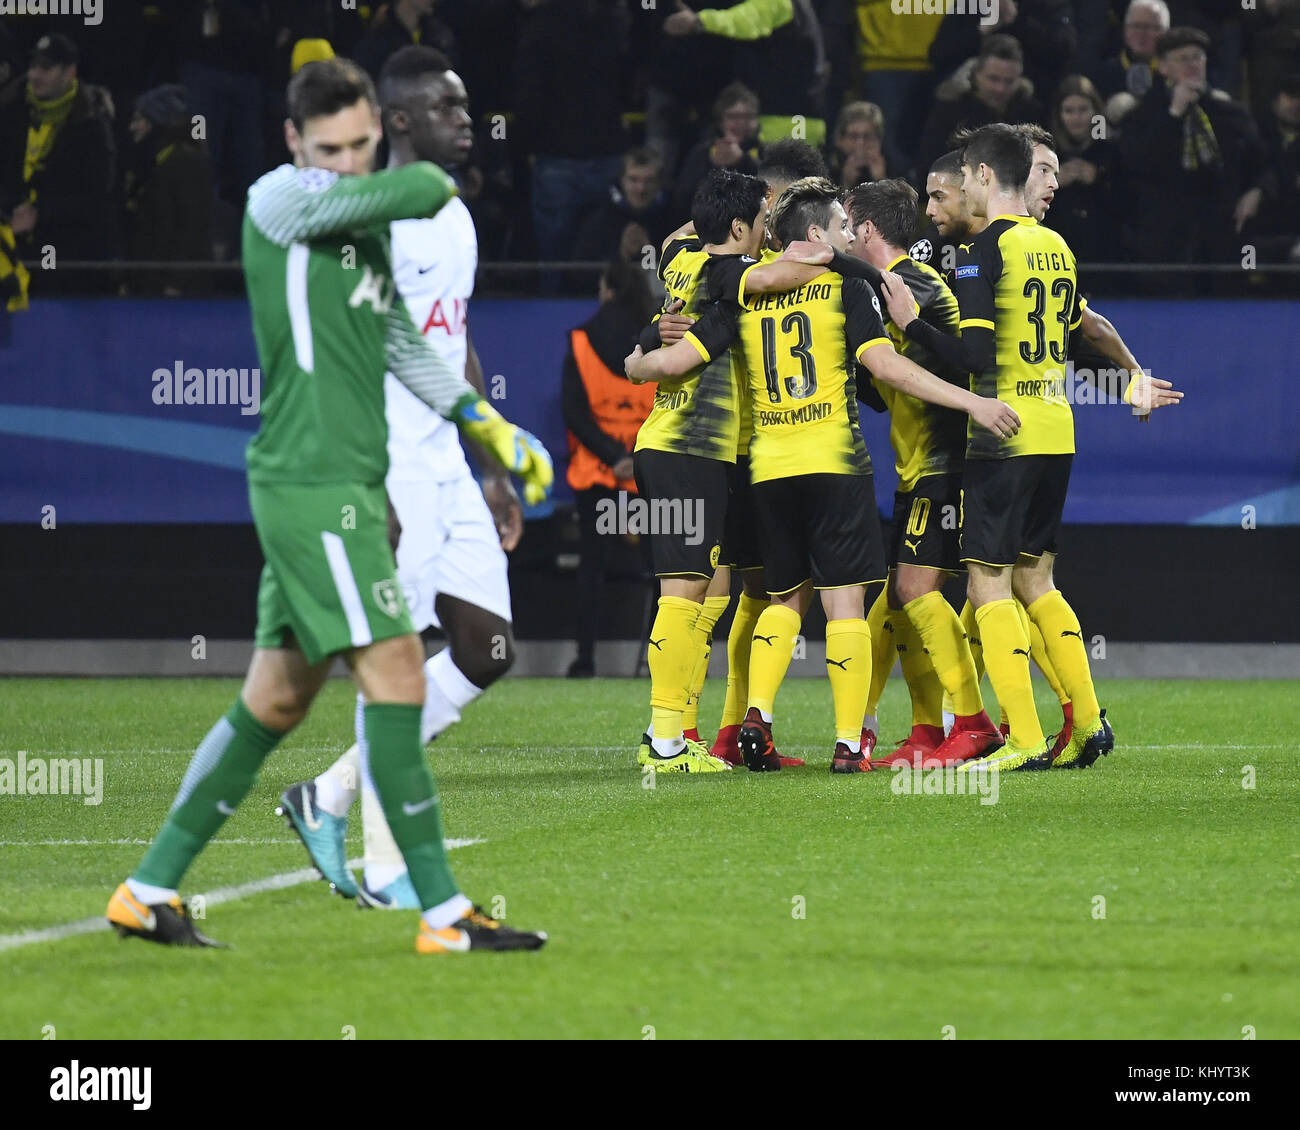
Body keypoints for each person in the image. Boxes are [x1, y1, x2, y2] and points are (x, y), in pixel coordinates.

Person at [105, 57, 552, 952]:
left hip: (335, 481)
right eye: (330, 147)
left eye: (360, 146)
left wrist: (487, 426)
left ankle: (145, 891)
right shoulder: (278, 201)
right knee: (395, 671)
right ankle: (440, 913)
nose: (346, 163)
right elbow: (401, 187)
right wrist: (421, 169)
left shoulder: (368, 230)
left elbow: (400, 343)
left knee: (274, 701)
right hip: (317, 487)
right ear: (293, 142)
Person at [629, 176, 1020, 773]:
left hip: (766, 467)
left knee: (779, 597)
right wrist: (973, 403)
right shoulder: (841, 283)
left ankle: (752, 716)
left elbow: (680, 323)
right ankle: (847, 743)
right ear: (816, 235)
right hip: (835, 462)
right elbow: (885, 365)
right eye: (839, 227)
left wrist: (635, 358)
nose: (848, 237)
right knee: (845, 603)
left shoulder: (738, 288)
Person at [272, 48, 527, 911]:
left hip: (446, 461)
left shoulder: (452, 214)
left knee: (488, 647)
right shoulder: (367, 219)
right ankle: (387, 867)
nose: (468, 117)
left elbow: (456, 345)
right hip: (389, 462)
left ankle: (328, 794)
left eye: (467, 103)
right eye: (449, 106)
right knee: (398, 658)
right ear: (403, 121)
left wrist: (490, 466)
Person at [883, 124, 1114, 772]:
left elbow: (974, 355)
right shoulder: (1059, 247)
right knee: (1034, 576)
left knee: (988, 585)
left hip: (1002, 432)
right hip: (1056, 426)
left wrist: (913, 326)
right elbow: (1076, 333)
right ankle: (1089, 722)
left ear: (983, 175)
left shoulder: (986, 250)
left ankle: (1025, 737)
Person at [843, 178, 1003, 770]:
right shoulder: (889, 291)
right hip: (917, 467)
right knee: (895, 600)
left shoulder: (907, 282)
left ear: (864, 231)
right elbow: (885, 392)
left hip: (946, 461)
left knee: (915, 591)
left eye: (842, 223)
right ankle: (922, 730)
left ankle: (974, 721)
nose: (836, 233)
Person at [563, 261, 659, 678]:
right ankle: (664, 663)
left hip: (597, 476)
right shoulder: (657, 340)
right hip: (648, 473)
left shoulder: (582, 339)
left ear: (605, 289)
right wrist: (633, 456)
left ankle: (585, 660)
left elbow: (574, 412)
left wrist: (609, 456)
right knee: (664, 573)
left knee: (591, 568)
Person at [1117, 26, 1269, 286]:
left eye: (1198, 57)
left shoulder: (1231, 114)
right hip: (1164, 243)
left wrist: (1257, 190)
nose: (1192, 64)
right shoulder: (1140, 117)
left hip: (1223, 238)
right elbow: (1136, 164)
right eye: (1182, 58)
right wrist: (1174, 114)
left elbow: (1263, 163)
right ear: (1163, 67)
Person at [0, 34, 117, 265]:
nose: (35, 75)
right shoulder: (9, 110)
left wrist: (40, 214)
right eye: (33, 67)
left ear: (70, 72)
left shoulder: (90, 125)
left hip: (67, 253)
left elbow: (98, 198)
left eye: (46, 68)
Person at [123, 85, 214, 294]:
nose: (132, 127)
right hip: (151, 284)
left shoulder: (186, 162)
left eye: (139, 120)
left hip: (177, 293)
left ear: (157, 122)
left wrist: (176, 282)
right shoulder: (152, 162)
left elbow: (192, 228)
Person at [916, 34, 1044, 180]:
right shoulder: (951, 110)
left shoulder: (1030, 112)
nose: (1000, 89)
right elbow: (929, 164)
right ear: (976, 74)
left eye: (1009, 81)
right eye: (993, 79)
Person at [1045, 75, 1117, 264]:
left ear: (1096, 111)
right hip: (1056, 255)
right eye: (1069, 111)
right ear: (1059, 115)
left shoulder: (1111, 151)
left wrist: (1099, 178)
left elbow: (1128, 204)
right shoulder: (1045, 154)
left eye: (1083, 110)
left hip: (1106, 254)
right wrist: (1052, 184)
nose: (1076, 118)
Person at [672, 82, 763, 222]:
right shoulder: (702, 153)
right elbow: (682, 198)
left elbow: (770, 194)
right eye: (733, 117)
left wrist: (743, 162)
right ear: (721, 121)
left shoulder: (766, 152)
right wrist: (711, 165)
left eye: (747, 116)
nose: (741, 123)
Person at [572, 148, 673, 267]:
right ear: (622, 180)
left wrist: (651, 252)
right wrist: (622, 255)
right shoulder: (599, 216)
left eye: (649, 180)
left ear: (659, 182)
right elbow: (579, 272)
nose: (641, 189)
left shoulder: (673, 215)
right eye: (633, 180)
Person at [827, 101, 888, 189]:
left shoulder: (895, 170)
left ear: (879, 140)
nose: (861, 143)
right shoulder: (826, 172)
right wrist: (846, 184)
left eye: (868, 136)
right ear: (840, 139)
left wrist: (881, 180)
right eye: (853, 136)